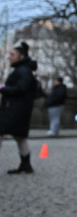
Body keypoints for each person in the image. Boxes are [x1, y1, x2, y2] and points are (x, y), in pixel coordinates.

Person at [1, 41, 39, 175]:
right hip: (19, 109)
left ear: (21, 56)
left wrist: (3, 88)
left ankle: (26, 164)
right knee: (20, 137)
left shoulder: (23, 71)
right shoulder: (24, 70)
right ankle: (26, 164)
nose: (10, 57)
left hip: (15, 110)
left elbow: (21, 89)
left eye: (12, 55)